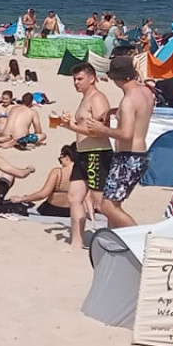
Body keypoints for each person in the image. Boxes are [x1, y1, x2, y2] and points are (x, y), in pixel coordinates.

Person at [83, 56, 155, 229]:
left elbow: (126, 134)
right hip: (139, 156)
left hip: (128, 158)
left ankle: (139, 237)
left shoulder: (128, 100)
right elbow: (139, 114)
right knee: (114, 205)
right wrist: (114, 111)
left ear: (118, 78)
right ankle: (115, 242)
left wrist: (102, 130)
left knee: (106, 205)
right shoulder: (146, 92)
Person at [57, 62, 113, 248]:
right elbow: (84, 127)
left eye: (80, 79)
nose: (76, 83)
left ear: (92, 78)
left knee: (100, 203)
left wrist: (71, 126)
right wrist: (69, 123)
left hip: (96, 154)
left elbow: (101, 130)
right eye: (74, 79)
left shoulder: (97, 98)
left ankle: (120, 235)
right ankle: (77, 241)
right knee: (74, 196)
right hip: (83, 153)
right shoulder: (85, 98)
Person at [12, 144, 78, 218]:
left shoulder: (57, 172)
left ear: (67, 158)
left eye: (60, 159)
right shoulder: (81, 173)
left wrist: (22, 199)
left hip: (51, 209)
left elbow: (43, 194)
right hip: (70, 211)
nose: (60, 163)